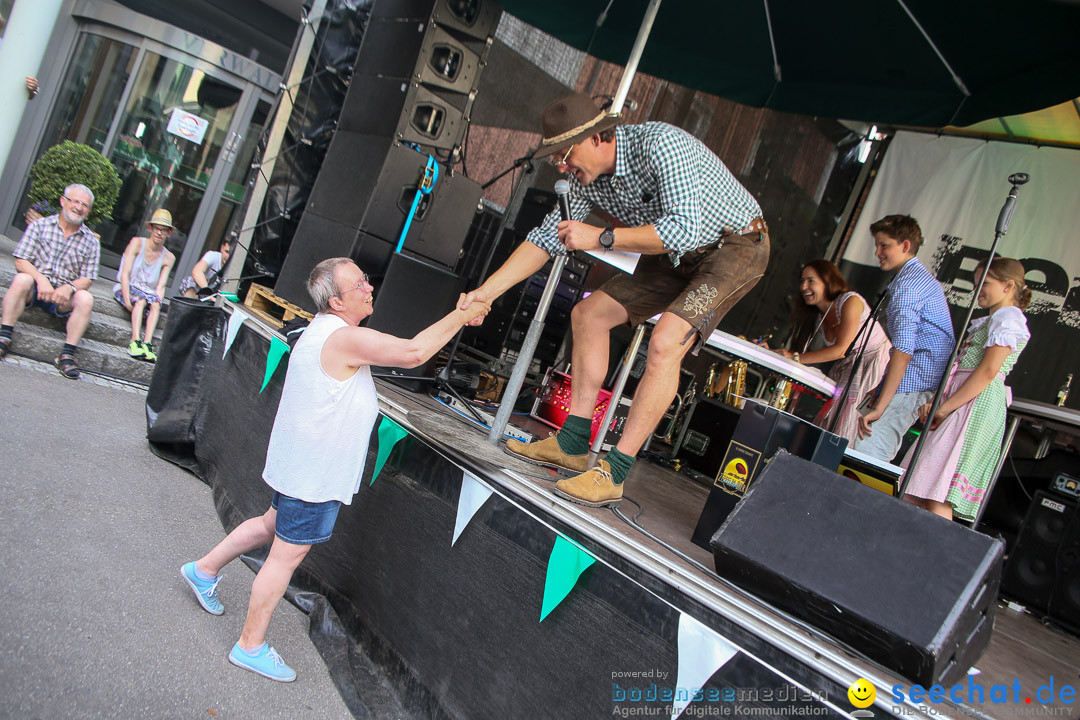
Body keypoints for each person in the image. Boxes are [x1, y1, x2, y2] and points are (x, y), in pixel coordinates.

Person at [180, 257, 489, 682]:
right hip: (311, 475)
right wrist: (460, 314)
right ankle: (249, 645)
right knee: (285, 556)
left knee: (271, 524)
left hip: (299, 466)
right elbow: (414, 352)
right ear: (338, 301)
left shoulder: (324, 331)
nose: (368, 286)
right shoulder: (343, 338)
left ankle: (203, 570)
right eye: (359, 283)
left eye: (365, 278)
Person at [460, 93, 769, 508]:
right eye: (555, 158)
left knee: (665, 341)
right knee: (588, 314)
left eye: (565, 154)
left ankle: (615, 471)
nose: (561, 166)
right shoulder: (592, 182)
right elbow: (546, 238)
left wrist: (601, 238)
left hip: (735, 245)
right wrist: (486, 294)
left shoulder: (660, 145)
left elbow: (683, 231)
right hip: (675, 252)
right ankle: (572, 442)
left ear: (597, 138)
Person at [900, 257, 1030, 521]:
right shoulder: (991, 319)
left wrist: (945, 407)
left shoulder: (1009, 317)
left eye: (986, 283)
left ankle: (937, 556)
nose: (978, 289)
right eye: (977, 283)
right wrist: (940, 401)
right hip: (962, 398)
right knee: (927, 486)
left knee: (937, 490)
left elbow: (987, 371)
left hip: (974, 403)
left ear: (1008, 287)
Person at [854, 215, 954, 461]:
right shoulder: (915, 279)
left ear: (905, 246)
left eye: (884, 245)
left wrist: (880, 406)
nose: (877, 252)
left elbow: (904, 351)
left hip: (914, 381)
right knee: (868, 450)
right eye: (876, 245)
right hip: (918, 379)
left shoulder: (908, 287)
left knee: (868, 452)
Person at [770, 260, 892, 443]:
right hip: (849, 368)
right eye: (802, 281)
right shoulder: (818, 318)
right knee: (830, 424)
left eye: (811, 281)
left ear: (828, 281)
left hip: (873, 364)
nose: (804, 286)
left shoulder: (850, 300)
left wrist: (796, 357)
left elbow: (841, 350)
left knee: (848, 428)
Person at [1, 184, 99, 378]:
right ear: (63, 201)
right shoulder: (40, 225)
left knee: (86, 298)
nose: (79, 207)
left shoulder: (91, 241)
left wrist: (69, 288)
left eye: (85, 205)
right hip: (34, 289)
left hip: (63, 297)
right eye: (76, 201)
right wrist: (41, 279)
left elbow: (87, 279)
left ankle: (67, 355)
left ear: (88, 211)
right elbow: (21, 260)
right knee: (22, 279)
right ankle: (4, 337)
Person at [113, 208, 177, 362]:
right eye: (156, 228)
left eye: (163, 230)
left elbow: (161, 286)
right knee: (140, 300)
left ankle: (147, 343)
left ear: (169, 233)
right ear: (150, 228)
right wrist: (128, 299)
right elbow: (125, 273)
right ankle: (134, 340)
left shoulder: (169, 257)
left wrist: (157, 300)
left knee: (155, 303)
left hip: (147, 292)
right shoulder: (137, 243)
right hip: (128, 287)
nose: (159, 233)